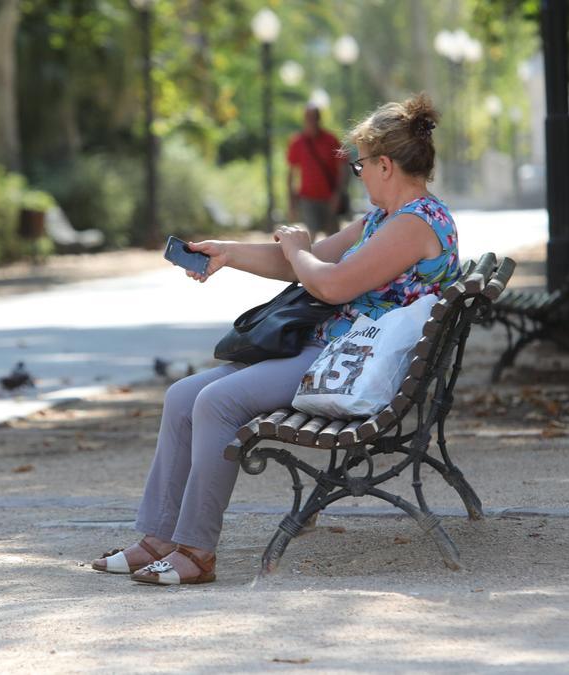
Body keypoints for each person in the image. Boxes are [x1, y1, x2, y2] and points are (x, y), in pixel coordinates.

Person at [92, 93, 462, 586]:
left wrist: (300, 249)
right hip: (329, 352)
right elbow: (301, 263)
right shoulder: (383, 220)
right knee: (183, 396)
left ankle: (197, 551)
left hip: (354, 365)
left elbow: (328, 282)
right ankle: (158, 539)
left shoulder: (414, 226)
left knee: (216, 404)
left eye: (361, 165)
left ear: (386, 165)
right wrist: (227, 253)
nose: (359, 174)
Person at [286, 104, 348, 237]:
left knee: (333, 238)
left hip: (329, 198)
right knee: (310, 236)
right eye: (308, 118)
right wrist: (291, 202)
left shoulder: (331, 140)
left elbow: (343, 167)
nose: (311, 121)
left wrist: (338, 194)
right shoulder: (297, 142)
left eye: (314, 118)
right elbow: (291, 173)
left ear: (319, 119)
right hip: (307, 198)